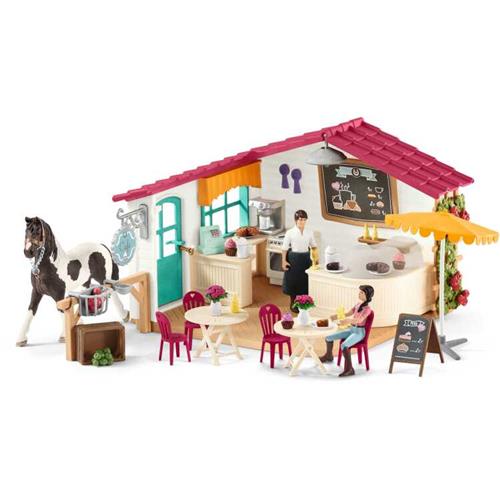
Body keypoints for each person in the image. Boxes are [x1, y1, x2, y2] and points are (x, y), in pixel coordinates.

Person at [319, 285, 375, 377]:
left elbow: (360, 320)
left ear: (367, 295)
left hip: (359, 332)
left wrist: (348, 321)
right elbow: (348, 313)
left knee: (344, 345)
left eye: (362, 292)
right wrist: (335, 316)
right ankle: (329, 356)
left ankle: (349, 369)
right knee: (328, 337)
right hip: (351, 329)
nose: (359, 293)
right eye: (360, 292)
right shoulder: (358, 304)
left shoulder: (368, 309)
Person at [281, 210, 317, 312]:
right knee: (293, 283)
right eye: (300, 219)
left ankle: (304, 303)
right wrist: (283, 261)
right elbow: (284, 248)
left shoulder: (309, 232)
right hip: (294, 261)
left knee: (305, 282)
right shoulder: (290, 233)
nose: (302, 222)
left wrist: (316, 260)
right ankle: (293, 303)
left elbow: (314, 246)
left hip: (305, 260)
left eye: (304, 220)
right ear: (296, 220)